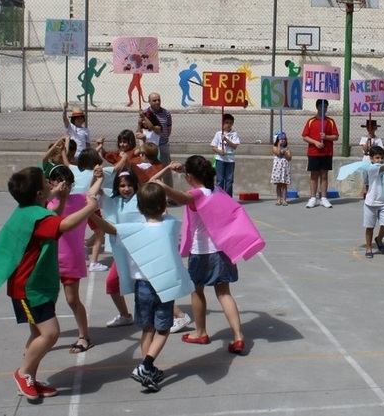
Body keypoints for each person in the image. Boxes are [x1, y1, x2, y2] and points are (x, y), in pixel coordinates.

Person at [0, 166, 98, 401]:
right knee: (50, 334)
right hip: (28, 289)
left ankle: (31, 378)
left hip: (33, 286)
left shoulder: (30, 211)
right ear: (40, 193)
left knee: (37, 334)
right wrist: (90, 207)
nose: (53, 184)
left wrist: (63, 197)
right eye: (48, 183)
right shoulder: (37, 218)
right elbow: (63, 225)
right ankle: (23, 373)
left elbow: (53, 218)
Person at [151, 156, 266, 354]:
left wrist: (163, 186)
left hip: (202, 252)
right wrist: (183, 171)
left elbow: (183, 198)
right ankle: (238, 336)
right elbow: (195, 190)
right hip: (222, 250)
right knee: (224, 293)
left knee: (197, 291)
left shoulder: (195, 195)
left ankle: (200, 332)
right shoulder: (217, 191)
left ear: (190, 177)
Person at [91, 182, 195, 392]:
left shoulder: (133, 230)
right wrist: (162, 188)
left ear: (138, 207)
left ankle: (148, 369)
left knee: (147, 329)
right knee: (163, 330)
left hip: (143, 288)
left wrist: (89, 212)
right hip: (164, 286)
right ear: (163, 204)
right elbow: (162, 212)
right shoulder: (172, 224)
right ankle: (146, 365)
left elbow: (109, 227)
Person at [46, 165, 102, 353]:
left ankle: (83, 336)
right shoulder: (47, 202)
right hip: (49, 261)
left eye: (68, 183)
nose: (64, 186)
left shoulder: (80, 200)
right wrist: (55, 194)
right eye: (59, 182)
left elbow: (92, 192)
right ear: (50, 183)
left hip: (71, 259)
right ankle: (44, 337)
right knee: (47, 302)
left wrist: (99, 177)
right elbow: (52, 221)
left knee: (72, 300)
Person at [101, 170, 142, 328]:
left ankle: (177, 314)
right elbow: (93, 191)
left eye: (129, 185)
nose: (126, 189)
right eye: (122, 185)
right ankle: (125, 315)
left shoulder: (141, 199)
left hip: (139, 251)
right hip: (122, 252)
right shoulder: (113, 200)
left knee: (150, 284)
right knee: (112, 283)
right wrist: (99, 176)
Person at [302, 99, 339, 208]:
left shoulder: (331, 121)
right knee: (314, 175)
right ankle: (313, 198)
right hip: (314, 152)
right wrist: (315, 142)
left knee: (324, 175)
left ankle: (324, 198)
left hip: (326, 152)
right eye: (322, 107)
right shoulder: (311, 121)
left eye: (326, 107)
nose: (324, 109)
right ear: (317, 107)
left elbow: (336, 136)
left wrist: (326, 137)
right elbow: (305, 136)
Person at [144, 92, 173, 187]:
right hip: (150, 147)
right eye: (154, 100)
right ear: (149, 102)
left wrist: (163, 138)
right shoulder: (144, 113)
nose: (157, 102)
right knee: (152, 170)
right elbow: (140, 129)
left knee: (166, 170)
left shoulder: (166, 113)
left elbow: (168, 129)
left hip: (163, 145)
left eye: (158, 100)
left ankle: (171, 196)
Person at [211, 113, 240, 197]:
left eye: (230, 123)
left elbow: (235, 146)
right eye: (226, 122)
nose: (228, 125)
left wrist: (226, 139)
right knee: (220, 180)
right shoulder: (218, 133)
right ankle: (219, 197)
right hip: (220, 159)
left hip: (230, 160)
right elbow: (213, 146)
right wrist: (219, 151)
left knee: (229, 180)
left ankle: (228, 197)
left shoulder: (234, 134)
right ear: (222, 123)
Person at [359, 119, 384, 196]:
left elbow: (381, 151)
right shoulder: (364, 138)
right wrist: (368, 140)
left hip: (375, 160)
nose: (370, 130)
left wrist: (374, 146)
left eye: (372, 128)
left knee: (374, 175)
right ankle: (366, 191)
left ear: (375, 129)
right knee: (366, 176)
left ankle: (374, 192)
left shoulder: (378, 139)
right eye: (369, 128)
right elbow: (365, 150)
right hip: (367, 158)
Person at [271, 131, 292, 206]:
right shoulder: (275, 147)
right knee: (278, 185)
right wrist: (279, 146)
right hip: (277, 169)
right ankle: (278, 199)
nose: (283, 140)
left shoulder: (287, 149)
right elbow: (278, 154)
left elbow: (289, 158)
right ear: (277, 140)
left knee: (284, 185)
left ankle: (284, 199)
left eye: (284, 139)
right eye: (280, 139)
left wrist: (285, 152)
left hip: (284, 169)